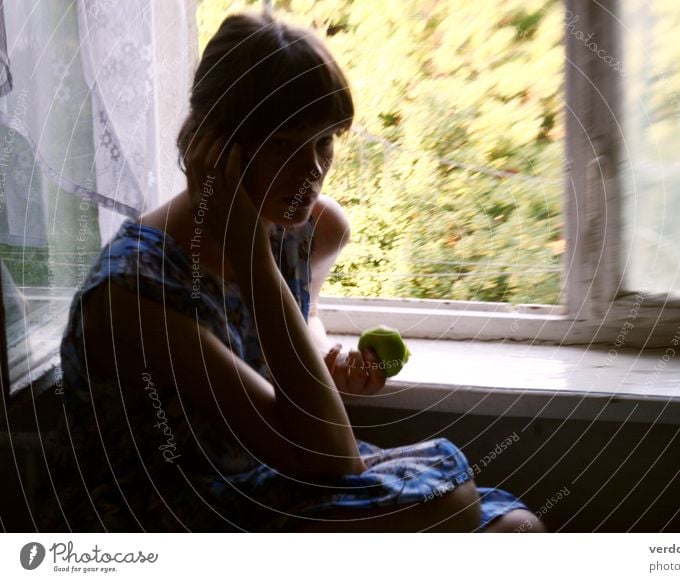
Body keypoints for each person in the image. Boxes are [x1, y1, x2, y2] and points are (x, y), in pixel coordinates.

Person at [40, 11, 544, 533]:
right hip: (181, 509)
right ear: (217, 145)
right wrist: (251, 256)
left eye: (324, 141)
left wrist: (323, 356)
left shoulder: (310, 230)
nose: (312, 171)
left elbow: (300, 324)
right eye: (282, 145)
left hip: (275, 477)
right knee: (449, 500)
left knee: (519, 530)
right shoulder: (134, 292)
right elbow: (328, 460)